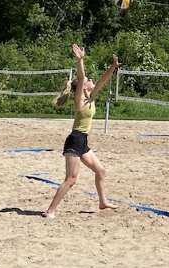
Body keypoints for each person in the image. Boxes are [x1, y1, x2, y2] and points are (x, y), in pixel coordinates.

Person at [42, 44, 120, 218]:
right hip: (75, 140)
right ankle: (50, 210)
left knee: (100, 171)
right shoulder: (80, 100)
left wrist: (113, 67)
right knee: (71, 180)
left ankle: (102, 202)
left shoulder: (91, 97)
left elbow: (102, 81)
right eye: (88, 80)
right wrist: (80, 60)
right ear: (83, 86)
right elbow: (81, 76)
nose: (91, 80)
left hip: (83, 141)